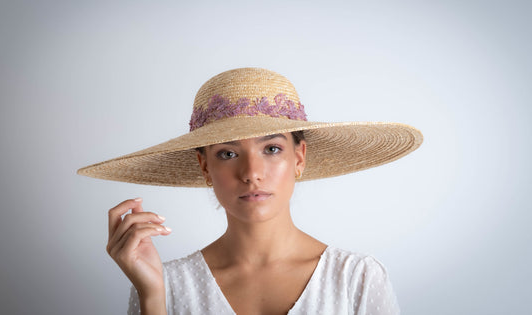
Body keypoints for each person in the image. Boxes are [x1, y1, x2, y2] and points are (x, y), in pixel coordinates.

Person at [78, 68, 423, 315]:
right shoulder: (162, 283)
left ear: (299, 158)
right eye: (228, 154)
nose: (251, 174)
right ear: (204, 167)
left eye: (271, 149)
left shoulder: (355, 277)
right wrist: (152, 297)